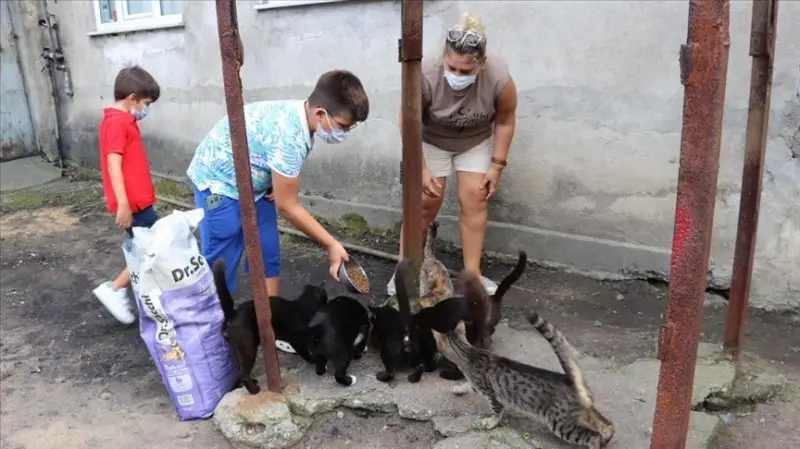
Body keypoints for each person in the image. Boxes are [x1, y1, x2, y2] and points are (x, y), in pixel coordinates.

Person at [187, 70, 369, 301]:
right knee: (223, 258)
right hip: (217, 182)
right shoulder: (289, 137)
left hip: (255, 186)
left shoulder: (302, 113)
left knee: (267, 251)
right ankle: (212, 321)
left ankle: (269, 321)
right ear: (321, 113)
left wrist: (272, 181)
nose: (344, 133)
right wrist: (331, 244)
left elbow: (265, 150)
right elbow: (288, 206)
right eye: (343, 126)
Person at [388, 13, 518, 296]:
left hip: (474, 141)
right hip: (431, 140)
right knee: (424, 202)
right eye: (452, 68)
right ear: (443, 58)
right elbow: (407, 122)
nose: (457, 75)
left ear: (481, 64)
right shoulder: (425, 75)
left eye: (465, 71)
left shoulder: (500, 77)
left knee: (475, 198)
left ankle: (472, 275)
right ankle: (406, 270)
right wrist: (419, 167)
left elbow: (506, 121)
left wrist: (497, 166)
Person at [92, 65, 161, 325]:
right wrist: (123, 204)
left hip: (139, 201)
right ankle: (116, 288)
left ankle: (125, 291)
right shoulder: (117, 123)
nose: (147, 109)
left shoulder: (125, 120)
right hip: (134, 204)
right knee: (149, 251)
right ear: (132, 98)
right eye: (146, 103)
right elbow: (113, 164)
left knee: (147, 249)